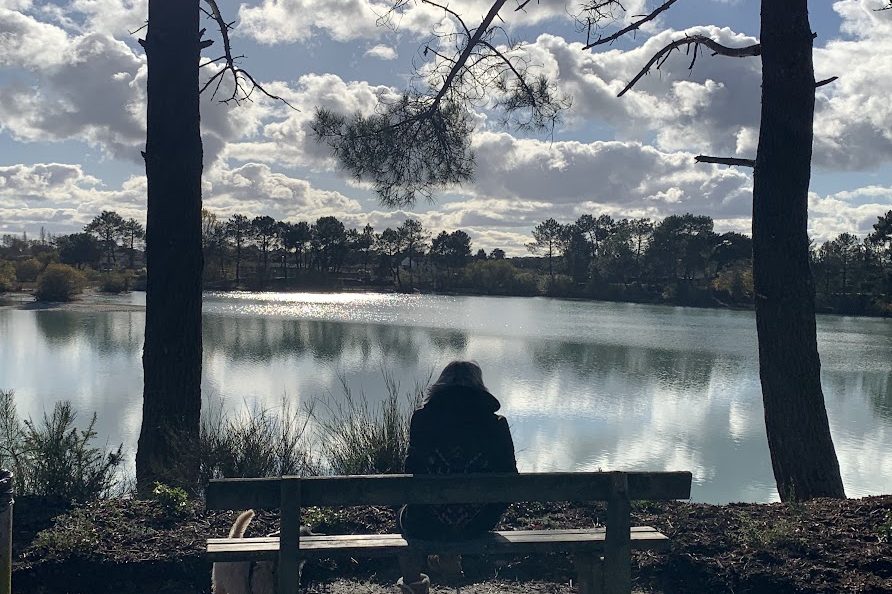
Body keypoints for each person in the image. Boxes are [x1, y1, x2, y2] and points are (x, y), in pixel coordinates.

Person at [397, 361, 518, 594]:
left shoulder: (422, 419)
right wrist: (486, 513)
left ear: (440, 385)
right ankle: (448, 559)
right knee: (446, 516)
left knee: (404, 516)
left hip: (425, 524)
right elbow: (510, 481)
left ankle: (414, 583)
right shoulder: (496, 425)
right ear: (480, 387)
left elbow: (412, 473)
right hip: (476, 525)